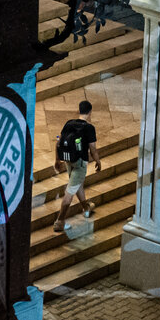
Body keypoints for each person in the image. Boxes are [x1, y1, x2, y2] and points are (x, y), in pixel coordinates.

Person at [53, 100, 101, 234]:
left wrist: (57, 160)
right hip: (80, 163)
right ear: (90, 112)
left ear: (79, 110)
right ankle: (59, 222)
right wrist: (98, 161)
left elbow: (58, 142)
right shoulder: (89, 128)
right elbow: (93, 149)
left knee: (77, 184)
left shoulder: (69, 123)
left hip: (69, 160)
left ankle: (86, 209)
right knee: (70, 192)